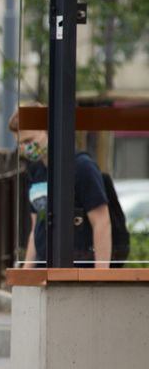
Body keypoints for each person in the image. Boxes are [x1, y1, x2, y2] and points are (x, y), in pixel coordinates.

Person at [11, 105, 111, 268]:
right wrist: (26, 271)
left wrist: (100, 274)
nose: (25, 148)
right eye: (19, 144)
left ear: (48, 132)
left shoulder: (82, 167)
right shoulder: (35, 171)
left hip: (77, 267)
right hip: (46, 267)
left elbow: (101, 221)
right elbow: (36, 227)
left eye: (28, 141)